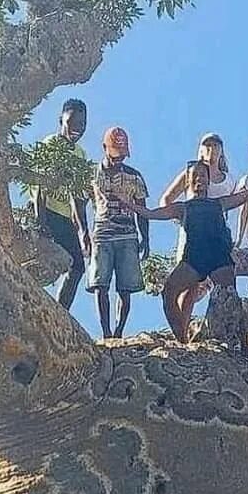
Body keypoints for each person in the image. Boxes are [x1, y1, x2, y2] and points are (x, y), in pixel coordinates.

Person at [127, 158, 248, 344]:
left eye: (202, 175)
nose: (198, 179)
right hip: (193, 260)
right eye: (194, 176)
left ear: (208, 180)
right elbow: (151, 213)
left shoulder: (218, 203)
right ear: (188, 181)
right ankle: (182, 340)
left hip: (220, 259)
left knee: (231, 298)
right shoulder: (183, 208)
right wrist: (130, 205)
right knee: (169, 292)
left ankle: (243, 347)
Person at [160, 132, 236, 335]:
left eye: (216, 144)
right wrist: (182, 219)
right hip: (192, 233)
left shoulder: (227, 179)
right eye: (207, 145)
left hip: (217, 239)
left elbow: (231, 204)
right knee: (189, 286)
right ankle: (182, 332)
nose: (212, 148)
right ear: (201, 149)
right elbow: (166, 200)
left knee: (211, 287)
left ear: (222, 150)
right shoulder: (191, 171)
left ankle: (218, 330)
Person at [89, 126, 150, 340]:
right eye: (115, 154)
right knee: (100, 284)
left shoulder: (134, 176)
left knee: (126, 287)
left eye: (122, 155)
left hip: (128, 235)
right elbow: (78, 201)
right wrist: (82, 233)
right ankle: (106, 332)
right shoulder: (91, 173)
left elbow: (142, 210)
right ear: (105, 148)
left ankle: (119, 330)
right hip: (102, 232)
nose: (118, 159)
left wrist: (146, 239)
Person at [32, 99, 90, 311]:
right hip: (46, 212)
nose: (77, 129)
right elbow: (40, 187)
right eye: (72, 123)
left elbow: (78, 197)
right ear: (61, 121)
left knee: (77, 267)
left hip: (65, 218)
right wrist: (41, 222)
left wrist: (83, 230)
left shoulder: (80, 154)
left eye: (82, 125)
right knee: (44, 263)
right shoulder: (50, 144)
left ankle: (59, 311)